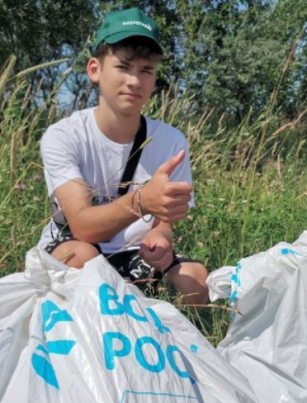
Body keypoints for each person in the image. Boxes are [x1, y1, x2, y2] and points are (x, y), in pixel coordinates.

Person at [37, 7, 208, 304]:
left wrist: (161, 238)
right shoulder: (63, 136)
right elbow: (82, 226)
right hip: (77, 246)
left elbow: (164, 221)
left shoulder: (171, 140)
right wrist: (141, 201)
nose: (134, 80)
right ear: (95, 70)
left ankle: (169, 334)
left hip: (134, 252)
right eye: (123, 66)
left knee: (195, 281)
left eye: (146, 70)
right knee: (83, 259)